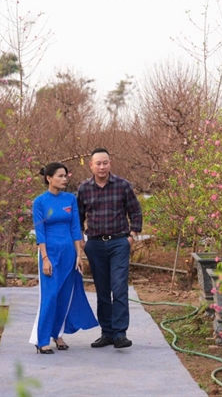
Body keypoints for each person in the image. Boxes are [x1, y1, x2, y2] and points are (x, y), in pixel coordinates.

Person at [29, 162, 98, 354]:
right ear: (49, 178)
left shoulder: (70, 199)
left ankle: (57, 334)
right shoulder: (40, 202)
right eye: (60, 176)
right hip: (50, 253)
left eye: (65, 175)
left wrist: (79, 255)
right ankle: (42, 340)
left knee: (65, 296)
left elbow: (75, 228)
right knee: (50, 295)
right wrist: (45, 258)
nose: (64, 179)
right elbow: (40, 232)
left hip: (69, 253)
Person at [77, 148, 143, 349]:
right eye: (98, 163)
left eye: (105, 163)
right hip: (95, 245)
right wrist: (81, 240)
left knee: (119, 287)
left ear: (110, 163)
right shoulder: (84, 189)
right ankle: (107, 333)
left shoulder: (122, 185)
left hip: (118, 243)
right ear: (91, 165)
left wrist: (132, 236)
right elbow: (77, 217)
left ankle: (120, 333)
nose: (102, 167)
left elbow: (135, 211)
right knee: (102, 290)